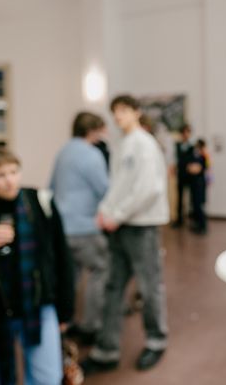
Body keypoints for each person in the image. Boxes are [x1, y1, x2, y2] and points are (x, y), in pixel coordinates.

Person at [81, 94, 170, 375]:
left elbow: (148, 189)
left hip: (140, 226)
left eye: (123, 110)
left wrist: (116, 215)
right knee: (113, 285)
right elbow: (118, 186)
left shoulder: (144, 144)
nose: (118, 116)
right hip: (120, 226)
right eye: (115, 111)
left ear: (136, 112)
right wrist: (105, 211)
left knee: (149, 286)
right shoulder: (124, 144)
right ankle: (106, 349)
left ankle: (156, 341)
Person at [0, 148, 75, 385]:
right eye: (0, 175)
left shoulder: (39, 201)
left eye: (14, 172)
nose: (10, 180)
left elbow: (62, 256)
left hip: (38, 303)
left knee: (47, 378)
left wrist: (65, 309)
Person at [50, 111, 109, 345]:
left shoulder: (63, 151)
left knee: (70, 277)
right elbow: (104, 189)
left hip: (62, 227)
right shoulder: (92, 154)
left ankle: (67, 320)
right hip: (84, 226)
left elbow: (51, 186)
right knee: (99, 271)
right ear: (92, 130)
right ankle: (91, 325)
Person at [172, 123, 193, 228]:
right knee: (179, 198)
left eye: (187, 132)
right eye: (184, 132)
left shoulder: (193, 146)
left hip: (191, 176)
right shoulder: (177, 145)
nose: (185, 134)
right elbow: (175, 159)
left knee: (193, 198)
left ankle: (193, 219)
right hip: (181, 174)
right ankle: (179, 220)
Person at [187, 138, 208, 235]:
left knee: (199, 205)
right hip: (195, 183)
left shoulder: (203, 156)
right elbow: (189, 168)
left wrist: (193, 168)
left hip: (199, 184)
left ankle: (202, 226)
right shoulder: (196, 156)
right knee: (195, 205)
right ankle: (198, 225)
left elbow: (197, 169)